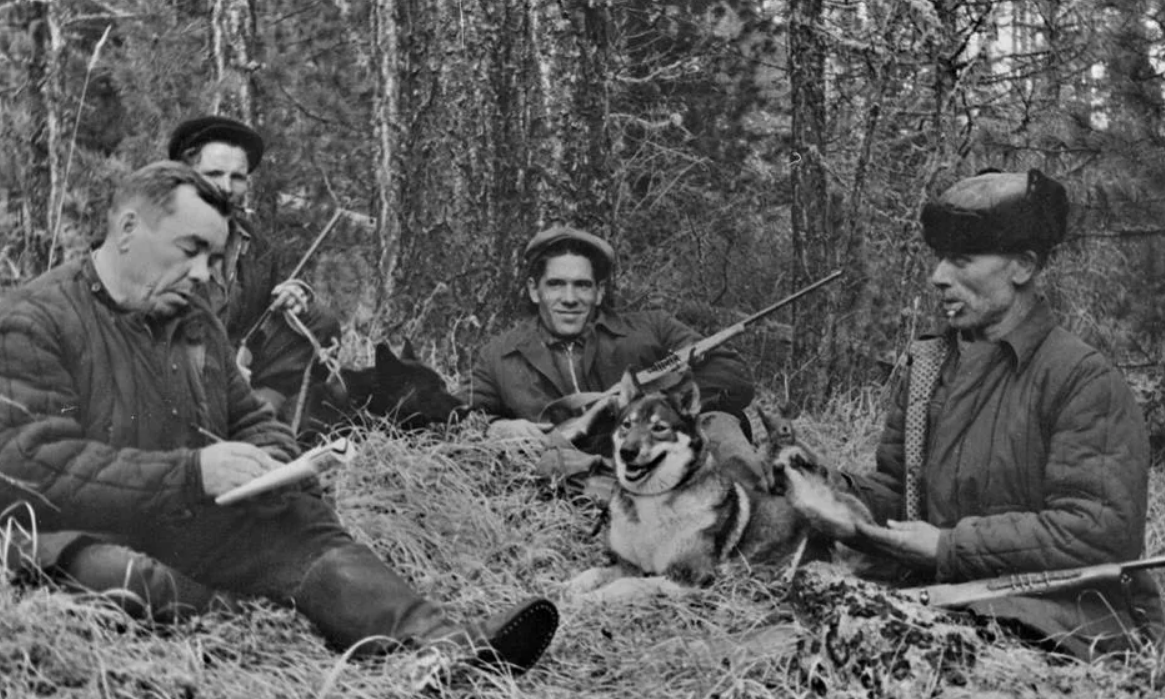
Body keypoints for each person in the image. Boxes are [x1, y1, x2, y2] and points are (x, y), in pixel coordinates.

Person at [0, 161, 558, 675]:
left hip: (182, 522)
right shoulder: (34, 320)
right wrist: (192, 473)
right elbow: (32, 467)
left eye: (213, 259)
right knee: (122, 577)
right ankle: (250, 616)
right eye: (190, 248)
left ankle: (443, 646)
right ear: (126, 230)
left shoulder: (193, 319)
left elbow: (248, 415)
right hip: (72, 535)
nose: (203, 274)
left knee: (301, 523)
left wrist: (278, 463)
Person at [794, 168, 1164, 660]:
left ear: (1023, 267)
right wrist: (832, 493)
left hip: (1059, 622)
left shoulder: (1081, 379)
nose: (938, 277)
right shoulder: (929, 369)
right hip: (944, 603)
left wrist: (950, 547)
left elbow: (1096, 532)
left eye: (962, 260)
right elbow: (901, 494)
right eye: (940, 259)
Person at [459, 225, 764, 493]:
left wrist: (648, 400)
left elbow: (734, 378)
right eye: (555, 284)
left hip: (662, 456)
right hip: (582, 473)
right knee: (551, 463)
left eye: (582, 285)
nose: (569, 298)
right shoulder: (499, 355)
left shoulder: (652, 328)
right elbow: (455, 417)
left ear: (599, 292)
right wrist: (497, 428)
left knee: (720, 423)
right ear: (534, 291)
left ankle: (758, 507)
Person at [167, 115, 341, 418]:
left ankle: (260, 411)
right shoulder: (155, 236)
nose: (225, 187)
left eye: (237, 177)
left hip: (235, 364)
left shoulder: (252, 239)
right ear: (185, 176)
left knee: (318, 320)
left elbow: (264, 308)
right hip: (175, 371)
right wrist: (217, 364)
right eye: (214, 173)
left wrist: (292, 294)